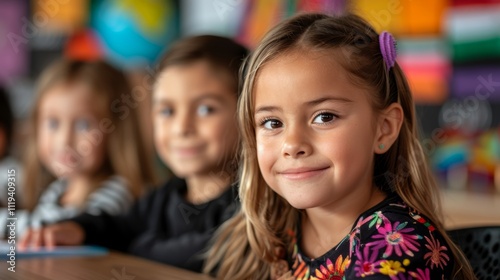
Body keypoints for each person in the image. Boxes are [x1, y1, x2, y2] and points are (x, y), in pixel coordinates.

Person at [204, 13, 475, 279]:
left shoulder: (398, 242)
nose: (292, 144)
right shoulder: (270, 230)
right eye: (272, 123)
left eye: (324, 117)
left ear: (384, 128)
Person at [20, 35, 248, 272]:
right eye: (167, 111)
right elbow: (118, 226)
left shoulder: (249, 200)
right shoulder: (163, 197)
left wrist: (135, 246)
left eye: (205, 109)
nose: (182, 127)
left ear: (246, 112)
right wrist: (77, 229)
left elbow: (205, 252)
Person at [19, 59, 156, 236]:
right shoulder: (58, 189)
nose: (64, 141)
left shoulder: (119, 191)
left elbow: (61, 229)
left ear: (116, 131)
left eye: (83, 125)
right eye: (53, 123)